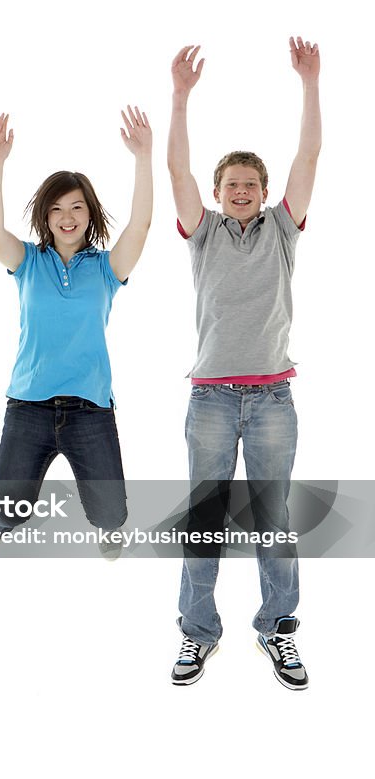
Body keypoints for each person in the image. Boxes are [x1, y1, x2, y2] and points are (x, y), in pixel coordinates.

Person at [167, 39, 320, 690]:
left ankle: (277, 630)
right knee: (205, 517)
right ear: (218, 191)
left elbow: (308, 156)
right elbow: (177, 172)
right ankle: (198, 632)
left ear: (262, 193)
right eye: (231, 184)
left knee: (274, 517)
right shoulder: (203, 233)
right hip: (211, 398)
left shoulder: (283, 229)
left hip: (271, 400)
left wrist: (310, 84)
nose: (241, 191)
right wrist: (179, 98)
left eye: (250, 185)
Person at [0, 108, 152, 562]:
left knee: (112, 516)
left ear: (89, 214)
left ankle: (108, 529)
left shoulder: (106, 268)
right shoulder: (28, 261)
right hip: (29, 406)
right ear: (44, 217)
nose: (66, 217)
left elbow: (141, 225)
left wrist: (143, 157)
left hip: (90, 408)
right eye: (56, 209)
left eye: (76, 207)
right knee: (9, 512)